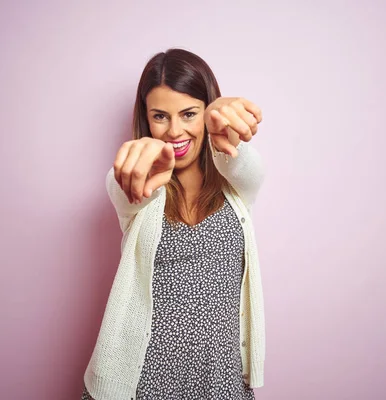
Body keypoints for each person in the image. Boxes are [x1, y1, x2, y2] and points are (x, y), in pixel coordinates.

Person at [81, 48, 266, 400]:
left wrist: (226, 141)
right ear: (146, 119)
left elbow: (248, 167)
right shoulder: (137, 182)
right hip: (141, 384)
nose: (175, 130)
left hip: (220, 383)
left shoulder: (237, 186)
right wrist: (146, 170)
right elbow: (125, 189)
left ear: (208, 112)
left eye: (189, 114)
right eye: (160, 116)